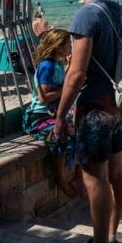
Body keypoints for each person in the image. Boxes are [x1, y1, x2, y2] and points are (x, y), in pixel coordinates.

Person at [54, 0, 122, 243]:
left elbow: (76, 74)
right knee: (116, 168)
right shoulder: (118, 9)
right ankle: (111, 234)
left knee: (94, 178)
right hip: (116, 101)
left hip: (95, 105)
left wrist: (61, 116)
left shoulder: (85, 15)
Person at [22, 29, 77, 197]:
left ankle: (75, 174)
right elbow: (43, 96)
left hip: (51, 114)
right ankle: (61, 178)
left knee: (78, 130)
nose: (71, 48)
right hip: (38, 117)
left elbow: (60, 83)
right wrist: (68, 89)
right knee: (60, 136)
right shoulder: (47, 66)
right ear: (59, 48)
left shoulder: (57, 64)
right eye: (69, 45)